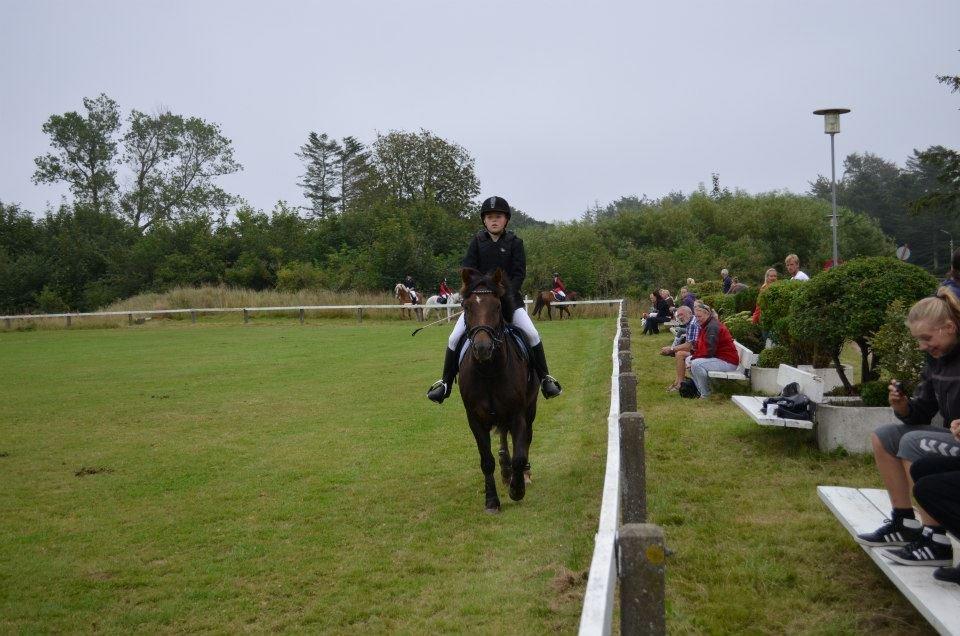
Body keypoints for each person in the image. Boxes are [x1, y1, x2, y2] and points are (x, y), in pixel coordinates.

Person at [853, 289, 960, 567]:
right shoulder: (936, 359)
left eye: (927, 338)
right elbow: (922, 412)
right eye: (918, 341)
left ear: (949, 328)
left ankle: (935, 538)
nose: (923, 346)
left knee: (913, 443)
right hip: (954, 437)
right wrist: (902, 406)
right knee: (884, 436)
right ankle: (905, 522)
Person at [426, 196, 562, 403]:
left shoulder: (515, 242)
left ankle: (545, 379)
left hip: (510, 302)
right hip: (480, 305)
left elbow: (519, 273)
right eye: (489, 217)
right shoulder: (477, 242)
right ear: (484, 221)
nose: (494, 220)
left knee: (533, 334)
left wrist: (504, 294)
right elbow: (468, 271)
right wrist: (479, 295)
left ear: (506, 219)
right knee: (454, 338)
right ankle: (444, 384)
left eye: (498, 216)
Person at [689, 301, 739, 398]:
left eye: (699, 317)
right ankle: (703, 390)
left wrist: (694, 359)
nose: (697, 320)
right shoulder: (707, 324)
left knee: (695, 364)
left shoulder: (712, 327)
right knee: (689, 360)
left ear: (707, 314)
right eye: (696, 317)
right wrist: (693, 357)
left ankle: (705, 394)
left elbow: (709, 350)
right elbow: (703, 347)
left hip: (728, 361)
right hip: (720, 358)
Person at [661, 305, 700, 392]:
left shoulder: (693, 324)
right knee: (679, 354)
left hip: (702, 352)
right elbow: (690, 345)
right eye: (678, 315)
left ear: (690, 313)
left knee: (680, 354)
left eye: (682, 314)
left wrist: (671, 349)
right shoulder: (690, 322)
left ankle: (679, 384)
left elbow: (688, 346)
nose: (680, 317)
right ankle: (678, 382)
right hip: (699, 350)